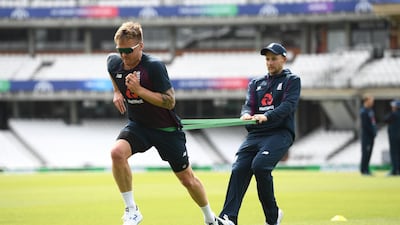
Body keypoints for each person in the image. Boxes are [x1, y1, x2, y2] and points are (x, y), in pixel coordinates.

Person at [107, 21, 220, 225]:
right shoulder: (115, 63)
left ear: (141, 46)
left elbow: (169, 102)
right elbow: (111, 67)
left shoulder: (154, 66)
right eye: (120, 50)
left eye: (128, 50)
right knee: (116, 153)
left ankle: (210, 218)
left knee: (187, 179)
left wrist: (139, 90)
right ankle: (132, 209)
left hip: (166, 130)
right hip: (139, 126)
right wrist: (117, 91)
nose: (124, 55)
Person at [217, 43, 301, 225]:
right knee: (239, 168)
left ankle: (273, 217)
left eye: (274, 59)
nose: (269, 63)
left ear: (284, 59)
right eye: (267, 59)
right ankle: (229, 217)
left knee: (260, 166)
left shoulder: (292, 80)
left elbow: (288, 106)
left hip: (279, 133)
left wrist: (267, 116)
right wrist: (245, 115)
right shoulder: (256, 83)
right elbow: (248, 105)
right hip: (256, 135)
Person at [359, 93, 377, 176]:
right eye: (371, 100)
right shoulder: (363, 111)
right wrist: (372, 132)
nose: (372, 102)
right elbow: (365, 125)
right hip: (366, 136)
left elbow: (373, 123)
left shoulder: (370, 111)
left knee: (369, 153)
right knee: (365, 153)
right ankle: (363, 170)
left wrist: (374, 131)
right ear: (366, 101)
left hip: (371, 135)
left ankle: (367, 169)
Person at [384, 100, 400, 176]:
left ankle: (395, 170)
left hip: (394, 137)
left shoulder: (393, 114)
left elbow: (385, 119)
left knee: (394, 153)